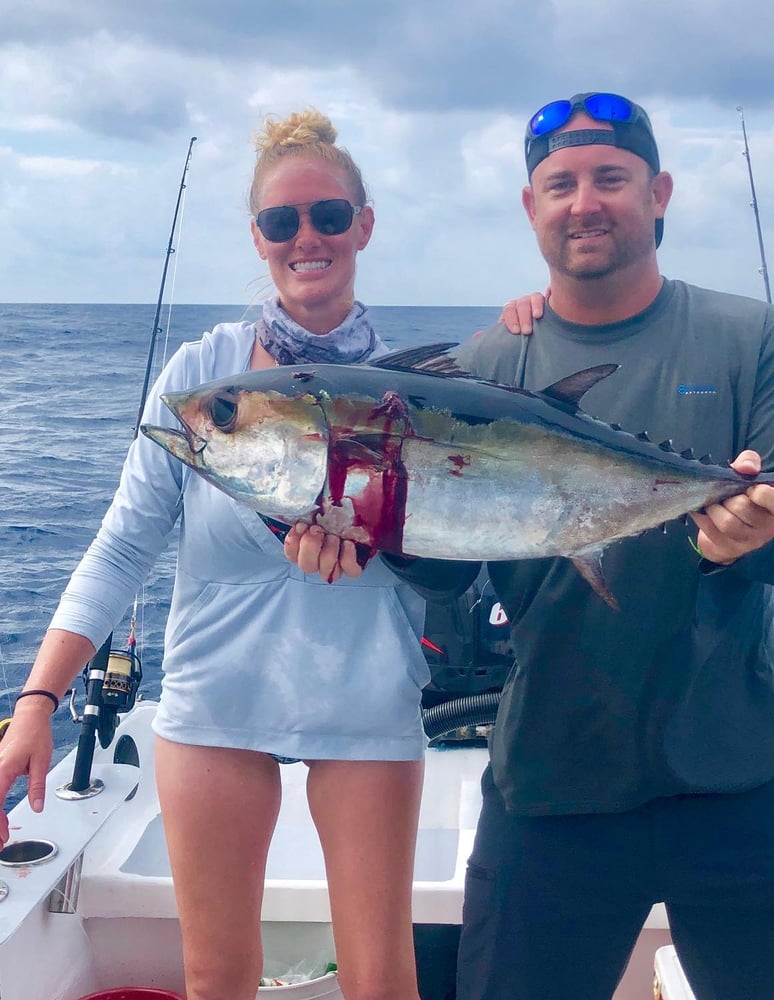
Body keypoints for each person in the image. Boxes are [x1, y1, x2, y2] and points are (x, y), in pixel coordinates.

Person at [292, 92, 774, 999]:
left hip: (740, 776)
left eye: (610, 178)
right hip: (550, 789)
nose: (582, 202)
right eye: (558, 184)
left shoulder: (749, 337)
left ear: (659, 193)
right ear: (531, 208)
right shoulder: (485, 362)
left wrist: (750, 540)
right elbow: (448, 579)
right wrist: (379, 533)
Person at [0, 109, 432, 1000]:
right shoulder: (208, 383)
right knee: (214, 976)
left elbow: (447, 556)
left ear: (364, 224)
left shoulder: (416, 387)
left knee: (384, 979)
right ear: (259, 237)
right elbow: (124, 543)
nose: (305, 237)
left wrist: (380, 561)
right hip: (213, 700)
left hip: (366, 694)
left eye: (328, 215)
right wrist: (39, 699)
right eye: (282, 222)